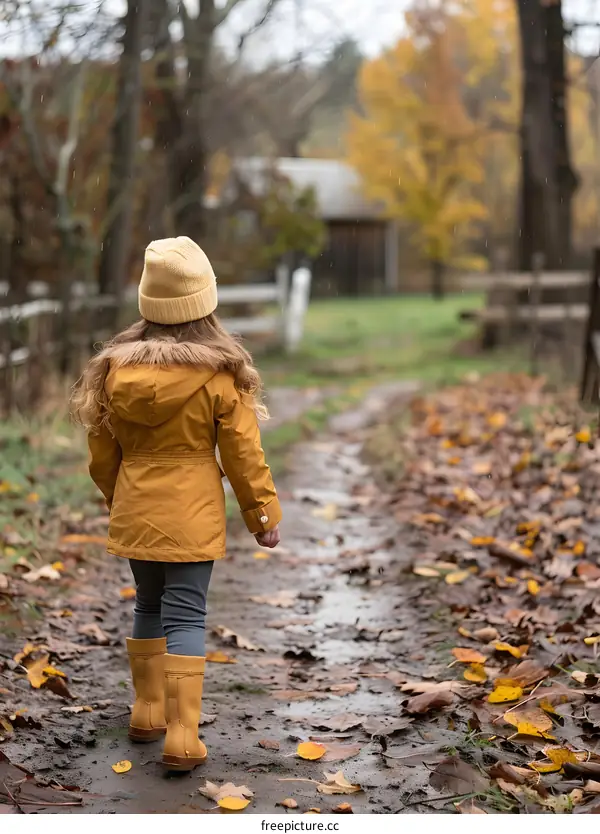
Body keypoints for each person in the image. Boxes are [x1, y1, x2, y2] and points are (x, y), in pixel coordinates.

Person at [71, 237, 282, 771]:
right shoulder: (218, 375)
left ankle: (146, 712)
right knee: (186, 612)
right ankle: (183, 736)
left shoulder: (114, 371)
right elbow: (243, 454)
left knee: (147, 603)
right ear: (204, 303)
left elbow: (101, 453)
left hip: (138, 506)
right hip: (192, 514)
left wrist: (117, 497)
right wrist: (261, 516)